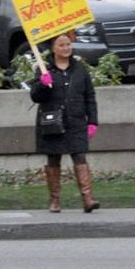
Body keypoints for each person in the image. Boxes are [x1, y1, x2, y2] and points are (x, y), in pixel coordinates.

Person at [30, 32, 100, 213]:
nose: (66, 48)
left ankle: (87, 198)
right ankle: (54, 200)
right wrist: (42, 84)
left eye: (68, 44)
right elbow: (36, 96)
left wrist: (92, 121)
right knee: (53, 158)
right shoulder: (44, 68)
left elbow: (89, 96)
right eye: (61, 45)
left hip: (76, 121)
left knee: (79, 156)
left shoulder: (79, 68)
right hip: (53, 122)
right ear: (53, 48)